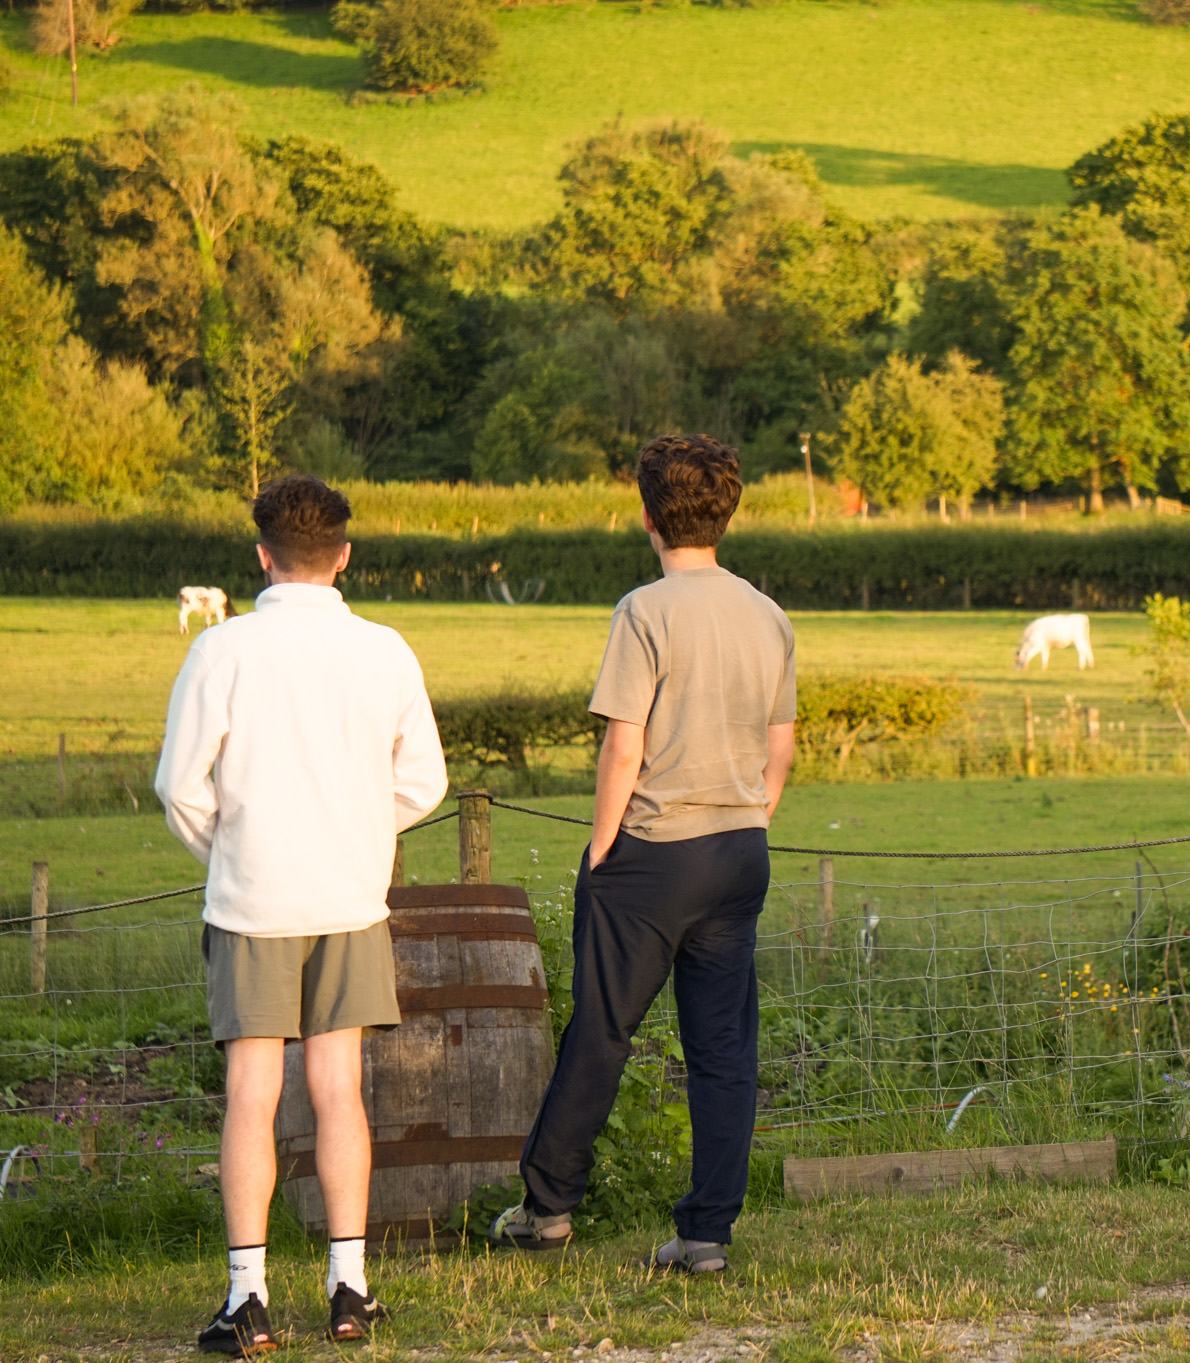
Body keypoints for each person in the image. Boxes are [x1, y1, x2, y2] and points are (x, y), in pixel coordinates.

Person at [155, 475, 448, 1357]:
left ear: (261, 554)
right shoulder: (386, 650)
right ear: (344, 554)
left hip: (253, 900)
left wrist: (232, 853)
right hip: (350, 898)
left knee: (253, 1092)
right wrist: (355, 833)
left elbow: (178, 785)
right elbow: (424, 783)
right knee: (338, 1089)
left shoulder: (223, 650)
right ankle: (350, 1288)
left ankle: (248, 1299)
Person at [491, 434, 797, 1275]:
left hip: (655, 853)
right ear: (725, 510)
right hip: (741, 851)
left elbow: (622, 748)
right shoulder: (767, 613)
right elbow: (781, 746)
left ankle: (548, 1208)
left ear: (649, 516)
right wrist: (748, 816)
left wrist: (600, 852)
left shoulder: (644, 611)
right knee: (725, 1048)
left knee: (601, 1031)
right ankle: (707, 1234)